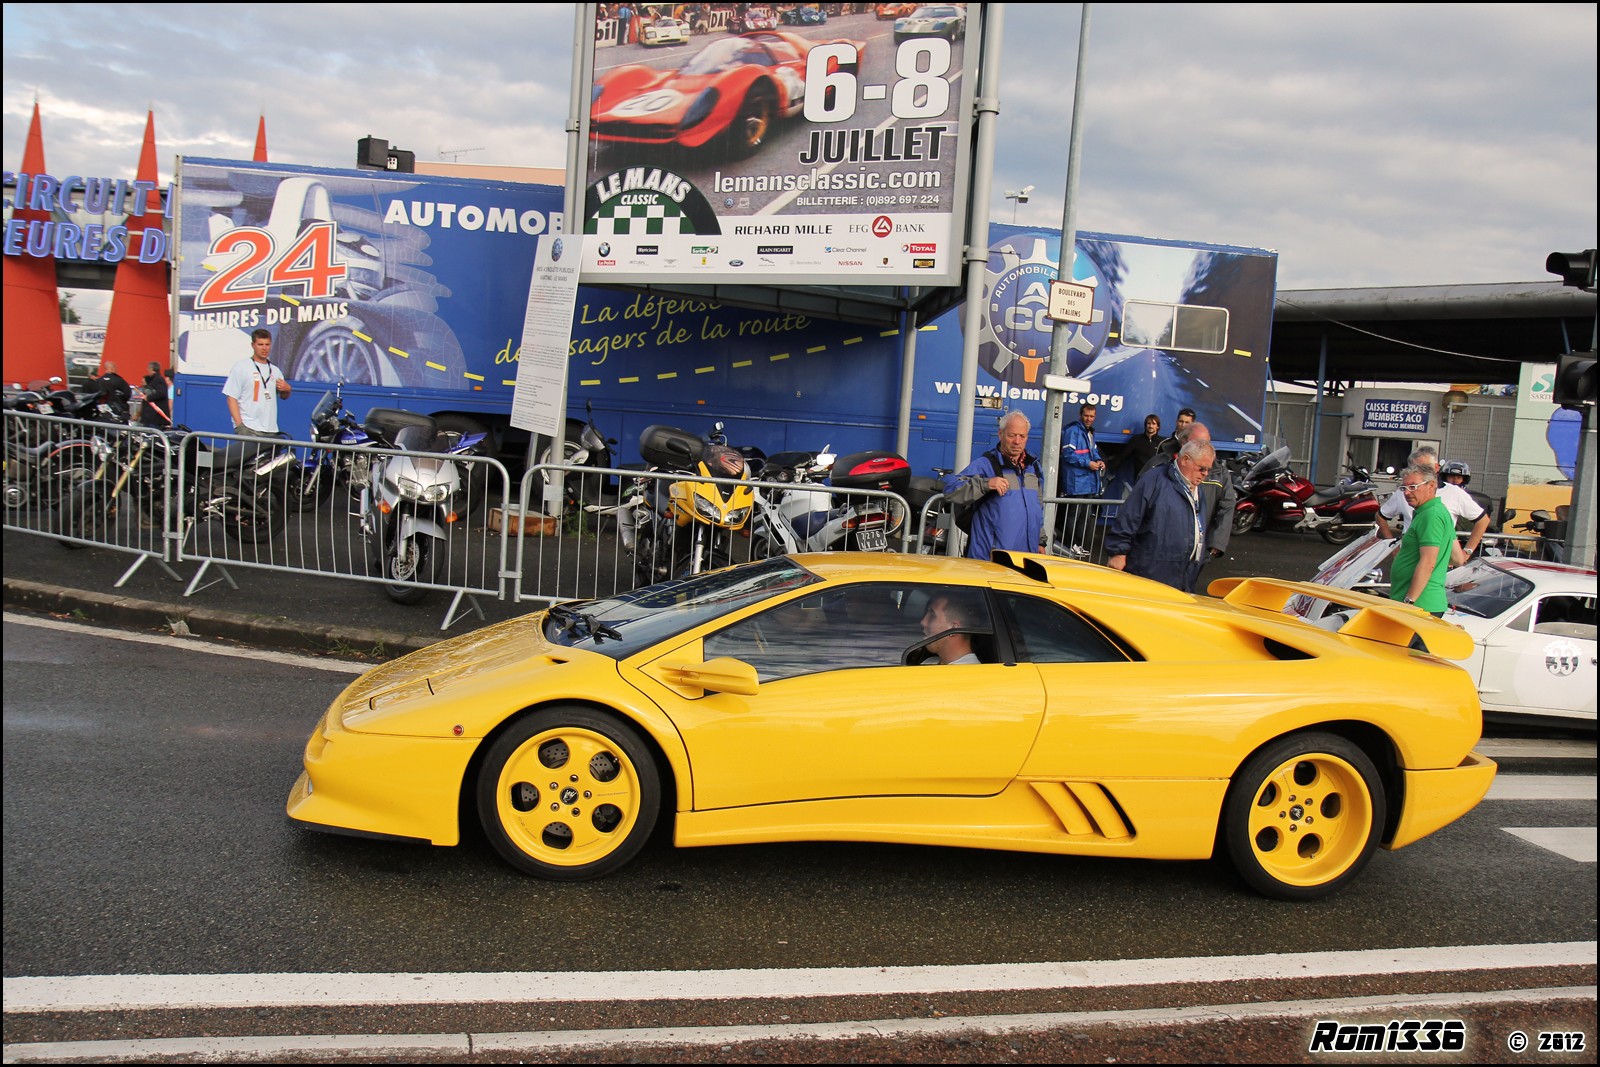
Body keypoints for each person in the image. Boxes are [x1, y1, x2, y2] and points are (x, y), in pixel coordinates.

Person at [1105, 438, 1216, 592]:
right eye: (1202, 468)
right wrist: (1118, 552)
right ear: (1185, 460)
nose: (1205, 474)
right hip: (1151, 571)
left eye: (1208, 469)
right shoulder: (1154, 480)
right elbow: (1129, 517)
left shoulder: (1197, 490)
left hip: (1183, 574)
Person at [945, 409, 1045, 561]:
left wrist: (1040, 540)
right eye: (1012, 435)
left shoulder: (1033, 467)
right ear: (1000, 434)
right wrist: (985, 484)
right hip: (990, 558)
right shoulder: (986, 465)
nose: (1017, 441)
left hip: (1026, 557)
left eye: (1022, 436)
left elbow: (1037, 507)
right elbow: (951, 490)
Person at [1136, 421, 1235, 570]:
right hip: (1156, 549)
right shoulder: (1159, 464)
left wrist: (1217, 541)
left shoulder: (1219, 473)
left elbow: (1227, 506)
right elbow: (1137, 503)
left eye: (1206, 443)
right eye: (1197, 443)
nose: (1202, 448)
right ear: (1183, 442)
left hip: (1195, 551)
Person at [1374, 447, 1487, 565]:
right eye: (1416, 468)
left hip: (1439, 562)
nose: (1422, 472)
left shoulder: (1455, 493)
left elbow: (1482, 520)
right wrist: (1392, 546)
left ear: (1437, 468)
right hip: (1408, 559)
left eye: (1426, 468)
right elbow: (1381, 516)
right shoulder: (1403, 492)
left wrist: (1466, 552)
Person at [1387, 465, 1455, 615]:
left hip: (1420, 605)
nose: (1407, 492)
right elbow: (1457, 557)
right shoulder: (1432, 511)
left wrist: (1409, 602)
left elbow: (1428, 562)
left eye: (1413, 487)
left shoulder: (1431, 515)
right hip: (1421, 604)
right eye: (1404, 488)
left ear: (1431, 486)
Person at [223, 328, 291, 435]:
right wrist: (240, 426)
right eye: (260, 344)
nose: (264, 348)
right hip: (249, 427)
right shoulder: (241, 367)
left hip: (270, 429)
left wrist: (287, 389)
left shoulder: (275, 370)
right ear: (253, 345)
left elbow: (283, 396)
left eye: (267, 344)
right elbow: (231, 398)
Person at [1058, 402, 1105, 557]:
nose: (1089, 419)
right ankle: (1069, 545)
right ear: (1080, 415)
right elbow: (1068, 455)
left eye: (1092, 416)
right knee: (1073, 516)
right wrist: (1088, 463)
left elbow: (1093, 452)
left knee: (1083, 517)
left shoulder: (1089, 432)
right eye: (1086, 415)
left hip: (1088, 482)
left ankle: (1077, 545)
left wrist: (1099, 461)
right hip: (1076, 482)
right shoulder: (1073, 431)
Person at [920, 591, 981, 665]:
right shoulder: (929, 662)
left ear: (953, 628)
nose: (923, 622)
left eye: (932, 615)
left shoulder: (970, 673)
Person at [138, 360, 170, 427]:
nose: (147, 370)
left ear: (151, 369)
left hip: (155, 417)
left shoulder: (158, 380)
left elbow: (161, 393)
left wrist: (148, 397)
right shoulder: (154, 379)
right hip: (151, 416)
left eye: (148, 368)